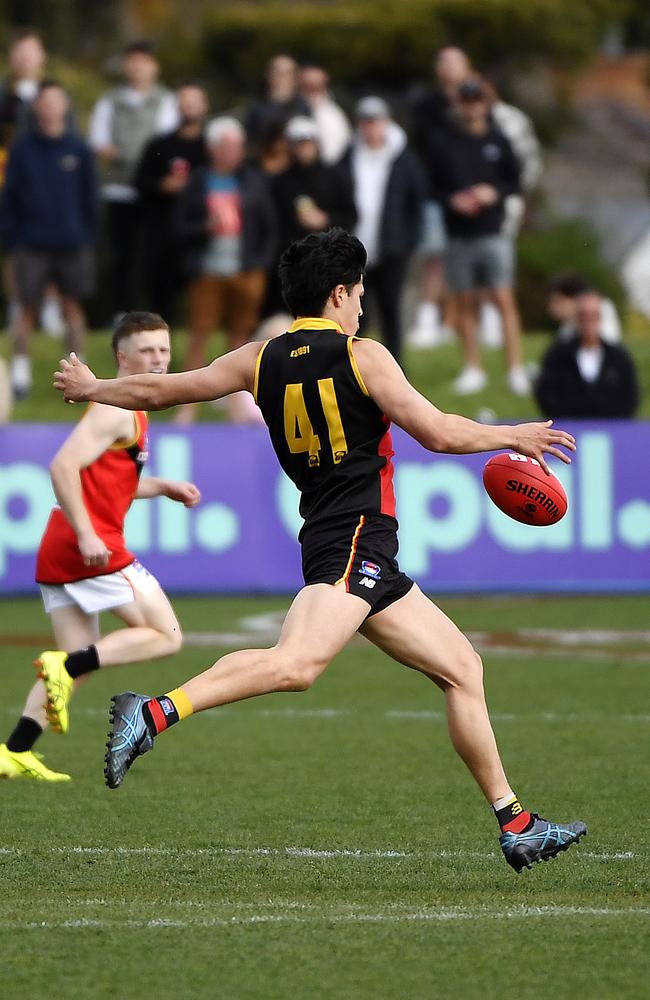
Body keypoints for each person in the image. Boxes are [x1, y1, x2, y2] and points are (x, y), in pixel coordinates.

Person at [55, 228, 586, 874]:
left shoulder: (259, 358)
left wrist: (93, 388)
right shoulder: (366, 358)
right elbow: (439, 433)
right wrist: (516, 434)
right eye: (358, 293)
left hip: (357, 548)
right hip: (354, 539)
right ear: (339, 293)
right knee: (297, 665)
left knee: (462, 669)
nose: (361, 305)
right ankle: (156, 711)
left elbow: (163, 391)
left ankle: (517, 823)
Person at [0, 312, 200, 781]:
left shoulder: (131, 407)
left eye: (164, 350)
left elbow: (107, 481)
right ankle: (65, 664)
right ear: (121, 357)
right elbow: (62, 467)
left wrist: (162, 485)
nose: (158, 359)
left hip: (60, 549)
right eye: (147, 350)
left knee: (76, 668)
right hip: (88, 546)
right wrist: (89, 533)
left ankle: (15, 749)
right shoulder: (117, 408)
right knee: (167, 636)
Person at [426, 78, 529, 396]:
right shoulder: (445, 142)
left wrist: (492, 193)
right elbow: (431, 187)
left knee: (503, 298)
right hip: (459, 233)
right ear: (458, 104)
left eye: (476, 100)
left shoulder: (498, 139)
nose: (471, 107)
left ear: (484, 103)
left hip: (493, 231)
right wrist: (452, 200)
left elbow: (515, 181)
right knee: (464, 300)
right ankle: (473, 367)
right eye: (465, 101)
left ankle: (515, 368)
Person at [173, 116, 276, 423]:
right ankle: (187, 406)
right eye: (226, 146)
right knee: (199, 336)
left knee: (240, 338)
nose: (233, 152)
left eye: (237, 146)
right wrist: (204, 228)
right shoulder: (197, 181)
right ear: (212, 148)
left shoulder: (253, 180)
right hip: (206, 270)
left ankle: (236, 406)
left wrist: (260, 261)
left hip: (245, 270)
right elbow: (179, 225)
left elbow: (268, 224)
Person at [2, 81, 98, 399]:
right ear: (37, 107)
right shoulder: (23, 149)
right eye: (44, 101)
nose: (50, 107)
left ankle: (79, 376)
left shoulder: (79, 148)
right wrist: (13, 238)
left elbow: (90, 198)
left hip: (72, 242)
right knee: (25, 307)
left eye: (56, 100)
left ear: (65, 106)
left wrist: (85, 234)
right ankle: (20, 372)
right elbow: (10, 196)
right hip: (31, 242)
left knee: (72, 306)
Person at [89, 40, 178, 317]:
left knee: (153, 256)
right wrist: (135, 156)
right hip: (119, 190)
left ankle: (155, 313)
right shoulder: (111, 100)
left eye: (143, 62)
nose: (137, 68)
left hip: (151, 193)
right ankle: (121, 312)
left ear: (154, 67)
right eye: (132, 62)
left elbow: (166, 143)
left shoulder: (165, 100)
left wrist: (134, 157)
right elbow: (100, 143)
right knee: (121, 256)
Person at [341, 97, 426, 364]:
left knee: (391, 311)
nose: (370, 129)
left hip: (391, 248)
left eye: (375, 122)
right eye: (365, 123)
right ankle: (353, 367)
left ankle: (395, 369)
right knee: (355, 313)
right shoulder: (349, 156)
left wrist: (407, 242)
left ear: (386, 124)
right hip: (357, 249)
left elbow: (416, 204)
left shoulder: (403, 159)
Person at [408, 46, 473, 348]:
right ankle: (428, 319)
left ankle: (458, 321)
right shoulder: (426, 105)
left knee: (466, 259)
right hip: (435, 193)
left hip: (468, 194)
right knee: (434, 257)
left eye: (454, 62)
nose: (448, 67)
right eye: (443, 61)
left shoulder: (475, 100)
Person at [134, 83, 209, 320]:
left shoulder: (210, 148)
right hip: (162, 232)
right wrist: (162, 185)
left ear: (205, 106)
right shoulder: (159, 145)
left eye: (194, 102)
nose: (189, 108)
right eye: (184, 102)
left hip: (200, 233)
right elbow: (140, 183)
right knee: (160, 297)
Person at [535, 290, 639, 419]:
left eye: (593, 316)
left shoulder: (618, 357)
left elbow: (630, 396)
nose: (589, 322)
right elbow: (546, 392)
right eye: (584, 316)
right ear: (577, 318)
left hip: (611, 429)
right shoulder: (558, 355)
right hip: (569, 428)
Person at [246, 54, 310, 156]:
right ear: (268, 76)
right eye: (278, 73)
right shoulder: (256, 108)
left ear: (295, 78)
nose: (282, 78)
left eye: (287, 74)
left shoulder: (304, 107)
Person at [298, 65, 352, 166]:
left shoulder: (333, 116)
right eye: (306, 85)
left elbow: (333, 156)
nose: (311, 90)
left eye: (316, 86)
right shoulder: (294, 109)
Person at [546, 274, 622, 344]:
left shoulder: (601, 308)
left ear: (574, 299)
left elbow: (608, 342)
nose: (552, 308)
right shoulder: (568, 326)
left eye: (557, 301)